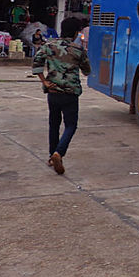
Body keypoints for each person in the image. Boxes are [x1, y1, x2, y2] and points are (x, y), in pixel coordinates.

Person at [32, 17, 91, 175]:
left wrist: (45, 82)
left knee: (54, 124)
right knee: (71, 125)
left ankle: (52, 156)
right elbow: (87, 71)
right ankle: (59, 152)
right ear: (76, 33)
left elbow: (36, 64)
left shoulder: (48, 46)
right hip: (70, 93)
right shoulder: (78, 49)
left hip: (53, 92)